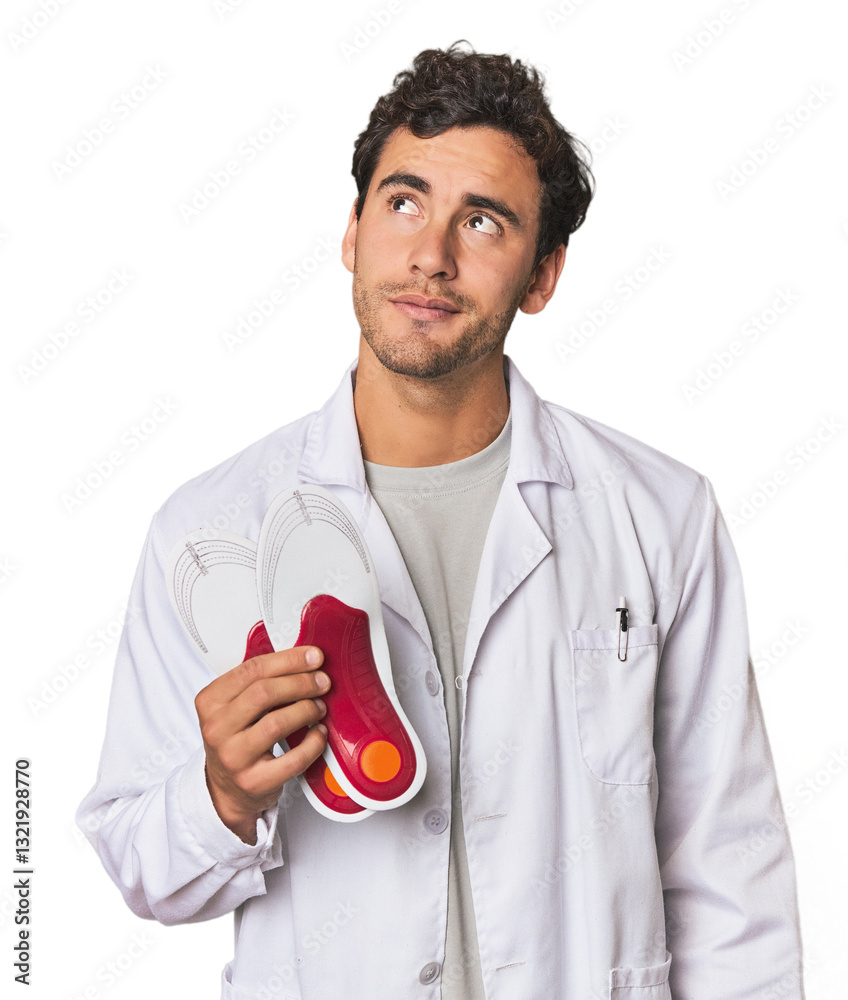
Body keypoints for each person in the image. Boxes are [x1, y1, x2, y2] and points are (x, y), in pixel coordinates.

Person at [78, 40, 805, 1000]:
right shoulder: (211, 528)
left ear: (542, 276)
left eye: (484, 221)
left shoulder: (659, 516)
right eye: (403, 203)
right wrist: (221, 794)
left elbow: (731, 872)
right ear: (352, 232)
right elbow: (140, 864)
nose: (432, 255)